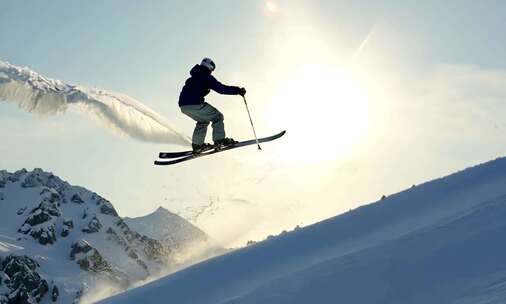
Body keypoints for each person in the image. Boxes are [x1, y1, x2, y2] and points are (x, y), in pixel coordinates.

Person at [179, 58, 246, 154]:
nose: (212, 71)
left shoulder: (193, 77)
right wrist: (238, 90)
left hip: (184, 106)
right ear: (209, 67)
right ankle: (220, 140)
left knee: (203, 121)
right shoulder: (206, 76)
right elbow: (221, 89)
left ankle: (197, 146)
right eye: (212, 69)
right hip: (195, 103)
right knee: (217, 116)